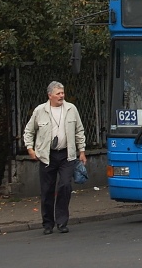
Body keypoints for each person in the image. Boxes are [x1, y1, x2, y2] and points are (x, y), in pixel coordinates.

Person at [23, 81, 86, 235]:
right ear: (49, 95)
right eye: (58, 93)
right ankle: (47, 224)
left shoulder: (71, 109)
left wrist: (82, 151)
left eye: (62, 93)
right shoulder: (40, 110)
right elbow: (29, 131)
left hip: (67, 155)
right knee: (47, 190)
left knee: (65, 186)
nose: (61, 96)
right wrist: (30, 149)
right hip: (47, 156)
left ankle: (62, 222)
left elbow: (79, 130)